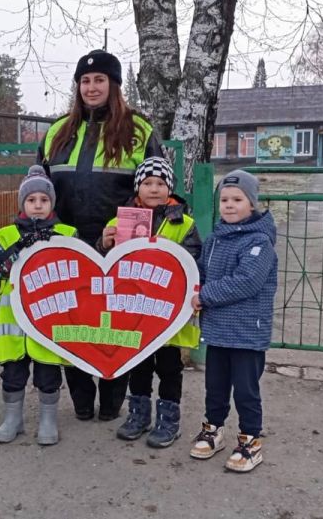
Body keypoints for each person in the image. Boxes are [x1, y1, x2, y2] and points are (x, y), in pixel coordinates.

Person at [37, 49, 164, 422]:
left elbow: (154, 190)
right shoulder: (58, 132)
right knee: (73, 319)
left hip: (118, 246)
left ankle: (112, 398)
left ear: (114, 85)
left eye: (99, 80)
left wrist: (131, 232)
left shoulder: (138, 130)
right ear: (77, 86)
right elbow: (38, 189)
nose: (91, 87)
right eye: (85, 81)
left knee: (115, 323)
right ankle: (79, 396)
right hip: (69, 244)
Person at [98, 157, 202, 448]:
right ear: (137, 187)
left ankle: (169, 419)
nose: (154, 189)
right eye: (147, 183)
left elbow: (193, 262)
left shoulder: (186, 224)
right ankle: (138, 414)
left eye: (160, 183)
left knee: (169, 367)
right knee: (138, 364)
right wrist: (104, 244)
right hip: (133, 313)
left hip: (168, 313)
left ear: (170, 187)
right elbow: (106, 265)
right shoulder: (119, 222)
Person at [189, 170, 277, 473]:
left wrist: (204, 295)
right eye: (224, 199)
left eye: (237, 199)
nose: (229, 205)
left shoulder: (259, 243)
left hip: (246, 334)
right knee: (214, 386)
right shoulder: (214, 239)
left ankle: (250, 440)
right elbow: (199, 271)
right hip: (217, 331)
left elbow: (246, 281)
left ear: (251, 204)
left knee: (245, 390)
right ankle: (213, 429)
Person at [0, 165, 77, 446]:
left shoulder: (66, 234)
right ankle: (13, 418)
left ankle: (48, 419)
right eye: (31, 200)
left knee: (47, 370)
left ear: (52, 203)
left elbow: (77, 273)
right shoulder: (5, 235)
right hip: (13, 322)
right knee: (13, 372)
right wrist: (21, 248)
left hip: (49, 319)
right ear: (22, 204)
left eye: (44, 200)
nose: (37, 206)